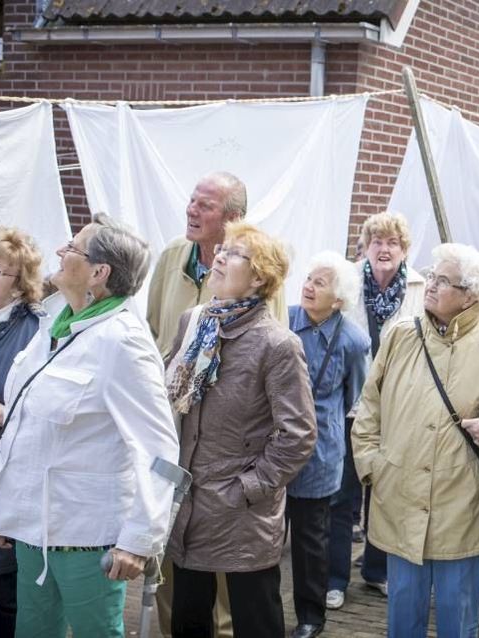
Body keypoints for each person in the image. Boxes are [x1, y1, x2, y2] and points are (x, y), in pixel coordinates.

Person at [0, 215, 180, 638]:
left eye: (71, 247)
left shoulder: (123, 340)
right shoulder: (56, 329)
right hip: (33, 533)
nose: (59, 251)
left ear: (99, 272)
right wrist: (5, 509)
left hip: (87, 539)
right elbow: (25, 428)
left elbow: (159, 450)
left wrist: (138, 540)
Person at [352, 243, 479, 637]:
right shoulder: (401, 336)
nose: (431, 285)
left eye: (444, 281)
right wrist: (373, 466)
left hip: (462, 500)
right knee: (402, 616)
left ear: (470, 296)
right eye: (432, 275)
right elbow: (369, 405)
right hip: (400, 495)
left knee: (457, 617)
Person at [165, 223, 316, 638]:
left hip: (242, 512)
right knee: (188, 621)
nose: (218, 256)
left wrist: (248, 487)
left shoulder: (277, 345)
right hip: (189, 503)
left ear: (259, 277)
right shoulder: (193, 323)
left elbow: (298, 435)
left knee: (256, 623)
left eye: (234, 253)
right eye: (222, 249)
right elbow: (169, 396)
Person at [330, 211, 426, 609]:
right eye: (377, 242)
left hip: (397, 409)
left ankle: (376, 570)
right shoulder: (346, 282)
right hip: (349, 405)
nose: (384, 249)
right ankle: (334, 580)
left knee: (387, 494)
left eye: (393, 243)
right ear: (365, 247)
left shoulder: (420, 287)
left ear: (404, 250)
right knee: (342, 496)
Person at [286, 252, 370, 638]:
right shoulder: (283, 320)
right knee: (268, 536)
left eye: (320, 283)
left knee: (310, 538)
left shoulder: (353, 339)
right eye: (308, 278)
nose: (308, 286)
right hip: (276, 445)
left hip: (320, 451)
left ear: (338, 300)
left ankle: (310, 617)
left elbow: (355, 393)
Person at [147, 172, 287, 358]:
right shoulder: (173, 252)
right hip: (167, 381)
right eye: (192, 201)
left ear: (233, 218)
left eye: (205, 206)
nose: (191, 210)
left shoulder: (258, 268)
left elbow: (274, 345)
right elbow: (154, 326)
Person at [0, 227, 46, 636]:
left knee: (6, 603)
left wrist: (3, 414)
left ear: (19, 286)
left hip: (2, 489)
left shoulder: (38, 333)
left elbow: (50, 414)